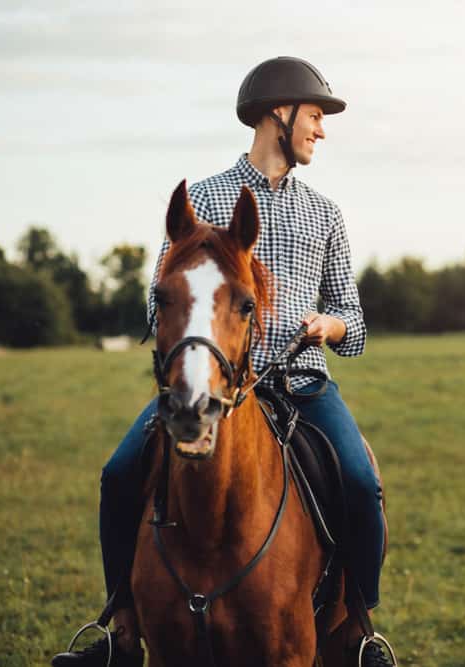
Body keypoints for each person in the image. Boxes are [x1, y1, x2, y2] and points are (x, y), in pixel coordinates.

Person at [53, 56, 394, 667]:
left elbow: (356, 321)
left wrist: (328, 324)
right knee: (119, 473)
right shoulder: (202, 199)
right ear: (278, 114)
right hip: (209, 383)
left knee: (360, 481)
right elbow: (160, 306)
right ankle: (121, 630)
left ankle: (359, 629)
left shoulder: (326, 214)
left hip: (300, 386)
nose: (321, 130)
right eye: (315, 116)